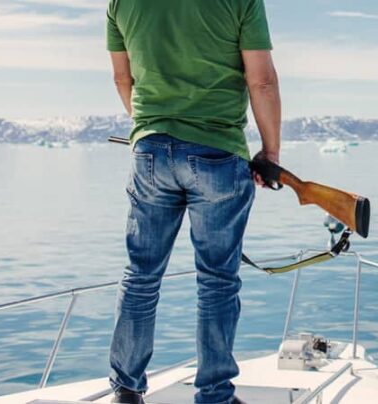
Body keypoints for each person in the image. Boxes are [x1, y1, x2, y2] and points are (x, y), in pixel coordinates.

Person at [105, 0, 280, 403]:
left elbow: (122, 78)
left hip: (149, 150)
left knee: (141, 275)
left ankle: (127, 390)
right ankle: (214, 395)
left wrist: (153, 128)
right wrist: (270, 153)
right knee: (217, 280)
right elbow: (262, 81)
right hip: (218, 152)